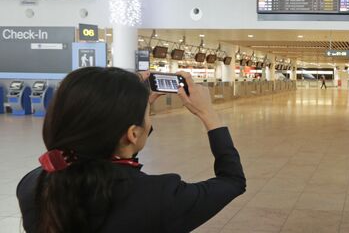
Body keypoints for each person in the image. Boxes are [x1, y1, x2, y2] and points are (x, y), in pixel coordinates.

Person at [16, 67, 246, 232]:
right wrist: (208, 114)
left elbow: (114, 156)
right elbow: (232, 181)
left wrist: (134, 109)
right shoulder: (160, 197)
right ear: (133, 134)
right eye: (147, 115)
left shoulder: (34, 183)